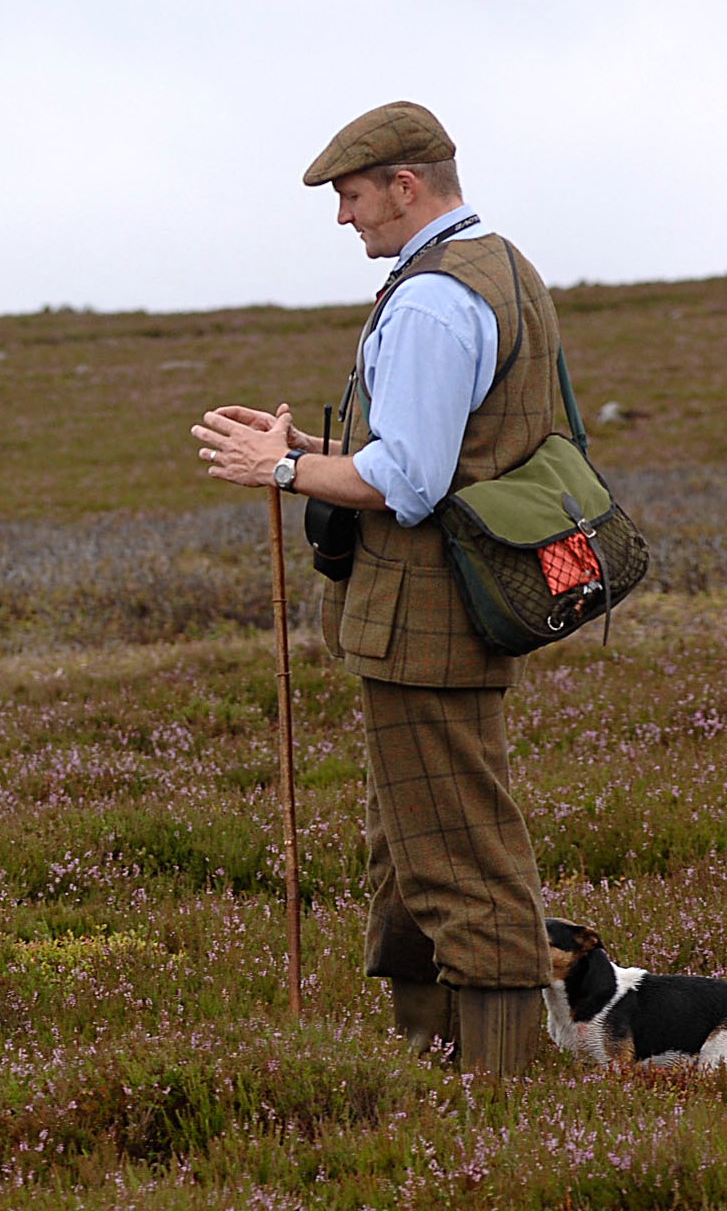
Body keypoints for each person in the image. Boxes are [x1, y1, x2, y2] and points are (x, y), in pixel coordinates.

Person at [191, 102, 561, 1075]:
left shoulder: (435, 298)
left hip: (427, 616)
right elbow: (440, 448)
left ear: (404, 184)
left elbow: (408, 480)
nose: (342, 218)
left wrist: (276, 472)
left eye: (351, 197)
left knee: (457, 858)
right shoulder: (499, 264)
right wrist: (308, 451)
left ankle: (498, 1092)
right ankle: (422, 1067)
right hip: (444, 607)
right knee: (405, 849)